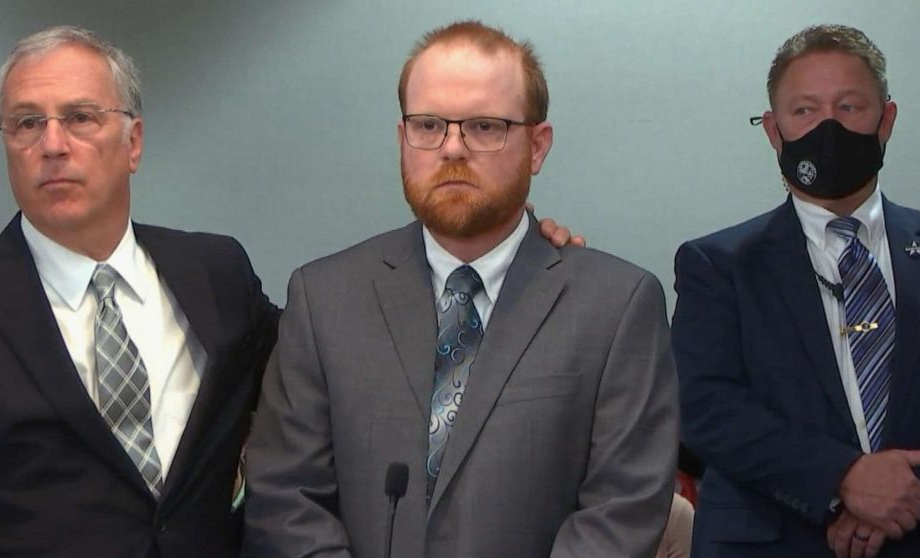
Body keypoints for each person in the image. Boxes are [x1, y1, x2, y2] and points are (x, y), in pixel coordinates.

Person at [243, 20, 678, 558]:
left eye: (484, 126)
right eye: (428, 125)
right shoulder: (324, 298)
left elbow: (622, 507)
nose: (452, 148)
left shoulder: (616, 305)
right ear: (403, 138)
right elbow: (286, 498)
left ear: (537, 146)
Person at [0, 26, 278, 557]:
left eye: (80, 118)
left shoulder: (216, 273)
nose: (52, 145)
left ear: (134, 142)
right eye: (27, 123)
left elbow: (311, 376)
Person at [673, 24, 920, 558]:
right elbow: (701, 406)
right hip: (767, 541)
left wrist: (909, 499)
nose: (828, 127)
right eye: (805, 111)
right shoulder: (717, 264)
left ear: (886, 120)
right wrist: (841, 483)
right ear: (774, 131)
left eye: (849, 107)